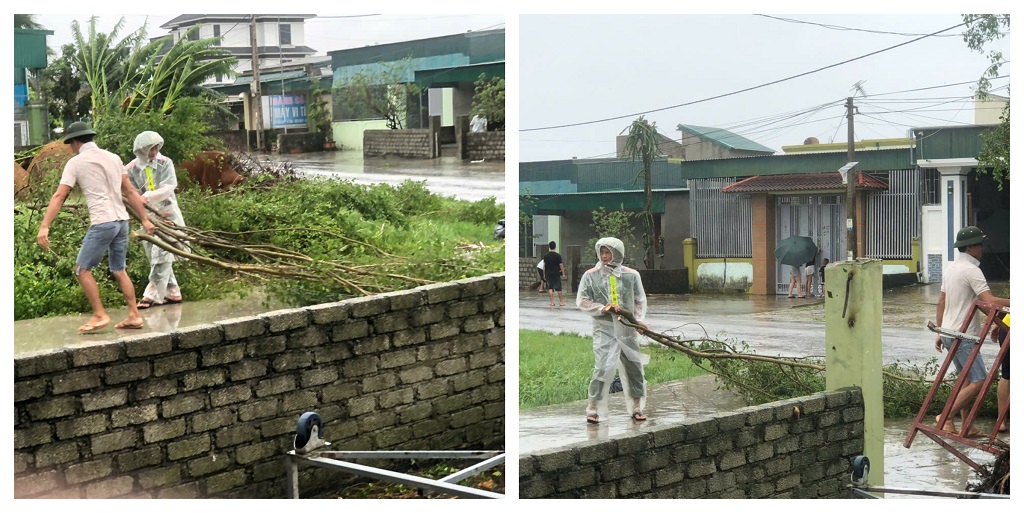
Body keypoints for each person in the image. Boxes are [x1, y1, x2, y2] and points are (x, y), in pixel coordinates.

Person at [36, 121, 155, 333]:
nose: (71, 148)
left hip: (103, 222)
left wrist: (45, 225)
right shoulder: (113, 158)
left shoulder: (76, 162)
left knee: (82, 269)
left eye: (71, 144)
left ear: (75, 142)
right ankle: (134, 315)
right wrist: (145, 220)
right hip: (121, 221)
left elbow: (60, 195)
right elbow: (130, 191)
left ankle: (100, 314)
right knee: (119, 269)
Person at [934, 226, 1009, 437]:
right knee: (979, 381)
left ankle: (966, 425)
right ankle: (946, 416)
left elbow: (941, 301)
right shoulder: (972, 271)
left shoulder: (951, 268)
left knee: (966, 381)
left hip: (950, 332)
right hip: (963, 335)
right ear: (971, 247)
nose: (983, 249)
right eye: (980, 244)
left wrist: (939, 332)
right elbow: (990, 302)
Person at [577, 237, 650, 424]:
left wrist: (639, 321)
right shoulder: (591, 275)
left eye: (607, 252)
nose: (604, 256)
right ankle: (593, 408)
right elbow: (583, 300)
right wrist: (603, 308)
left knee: (634, 367)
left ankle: (636, 407)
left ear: (617, 253)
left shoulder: (631, 275)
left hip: (627, 330)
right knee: (602, 368)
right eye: (601, 252)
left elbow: (639, 300)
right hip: (604, 329)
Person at [125, 131, 186, 308]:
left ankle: (150, 294)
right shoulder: (131, 169)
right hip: (147, 215)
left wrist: (148, 196)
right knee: (153, 253)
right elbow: (131, 191)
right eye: (151, 148)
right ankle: (173, 292)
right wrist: (138, 201)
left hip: (167, 213)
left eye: (156, 147)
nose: (154, 151)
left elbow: (169, 186)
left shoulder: (165, 163)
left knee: (162, 251)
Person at [542, 241, 566, 308]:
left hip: (548, 273)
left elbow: (544, 266)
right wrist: (563, 274)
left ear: (549, 247)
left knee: (550, 287)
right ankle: (561, 302)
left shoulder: (546, 256)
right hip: (556, 273)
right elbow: (561, 265)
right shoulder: (558, 256)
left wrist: (544, 274)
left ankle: (552, 302)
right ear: (555, 246)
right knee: (559, 288)